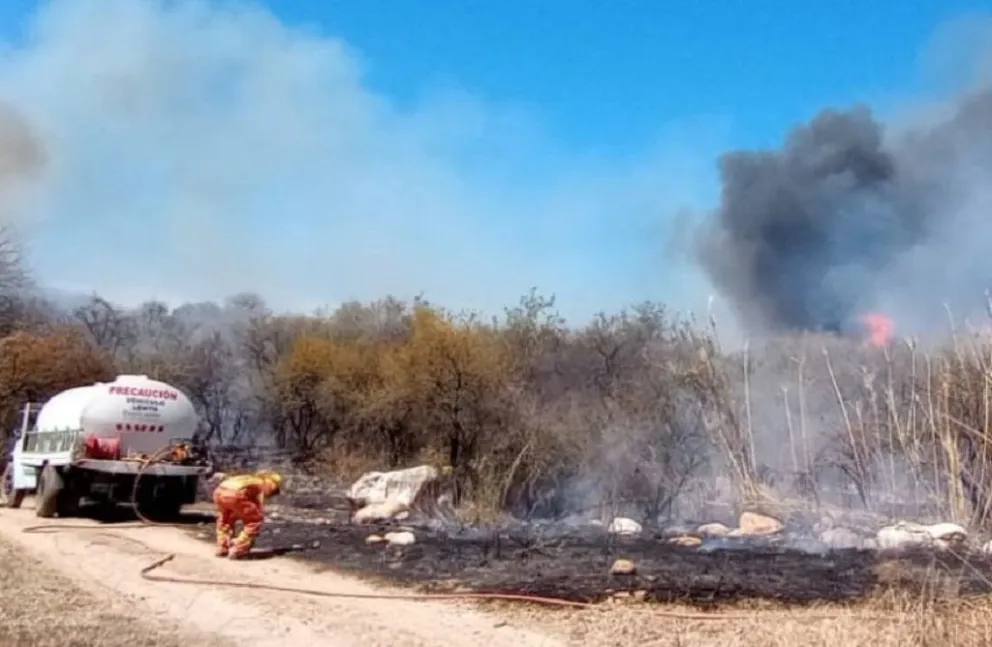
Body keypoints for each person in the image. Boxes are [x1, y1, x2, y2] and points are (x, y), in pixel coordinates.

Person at [212, 470, 283, 559]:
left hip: (219, 492)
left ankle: (222, 547)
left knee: (225, 519)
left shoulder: (248, 478)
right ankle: (238, 549)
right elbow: (258, 505)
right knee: (255, 520)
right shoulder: (263, 484)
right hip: (235, 494)